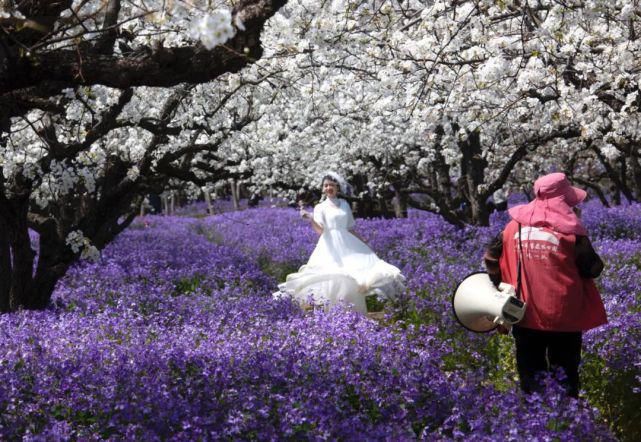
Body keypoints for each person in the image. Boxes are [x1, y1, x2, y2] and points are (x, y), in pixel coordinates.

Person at [483, 172, 607, 398]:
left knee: (531, 379)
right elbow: (593, 268)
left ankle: (538, 428)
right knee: (566, 376)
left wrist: (500, 286)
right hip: (564, 317)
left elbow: (491, 258)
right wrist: (578, 227)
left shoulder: (512, 227)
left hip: (523, 313)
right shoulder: (571, 231)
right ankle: (566, 424)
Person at [276, 172, 405, 313]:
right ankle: (334, 313)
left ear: (337, 187)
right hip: (329, 245)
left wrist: (363, 243)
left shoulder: (344, 204)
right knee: (334, 276)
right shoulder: (320, 207)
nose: (328, 188)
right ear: (323, 188)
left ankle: (354, 312)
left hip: (348, 243)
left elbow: (350, 227)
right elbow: (320, 231)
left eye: (331, 185)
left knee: (357, 275)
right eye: (325, 186)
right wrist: (311, 218)